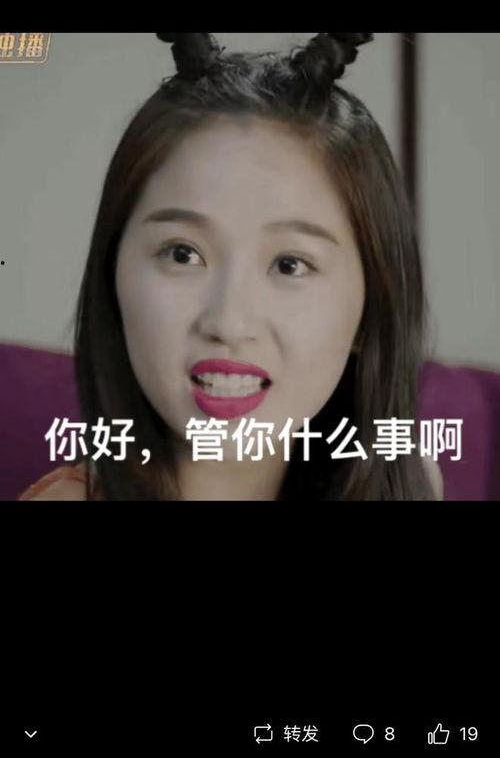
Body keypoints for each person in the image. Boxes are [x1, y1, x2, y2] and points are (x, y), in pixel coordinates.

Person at [19, 32, 444, 502]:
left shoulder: (401, 479)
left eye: (289, 264)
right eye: (183, 254)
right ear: (113, 275)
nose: (228, 323)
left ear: (371, 309)